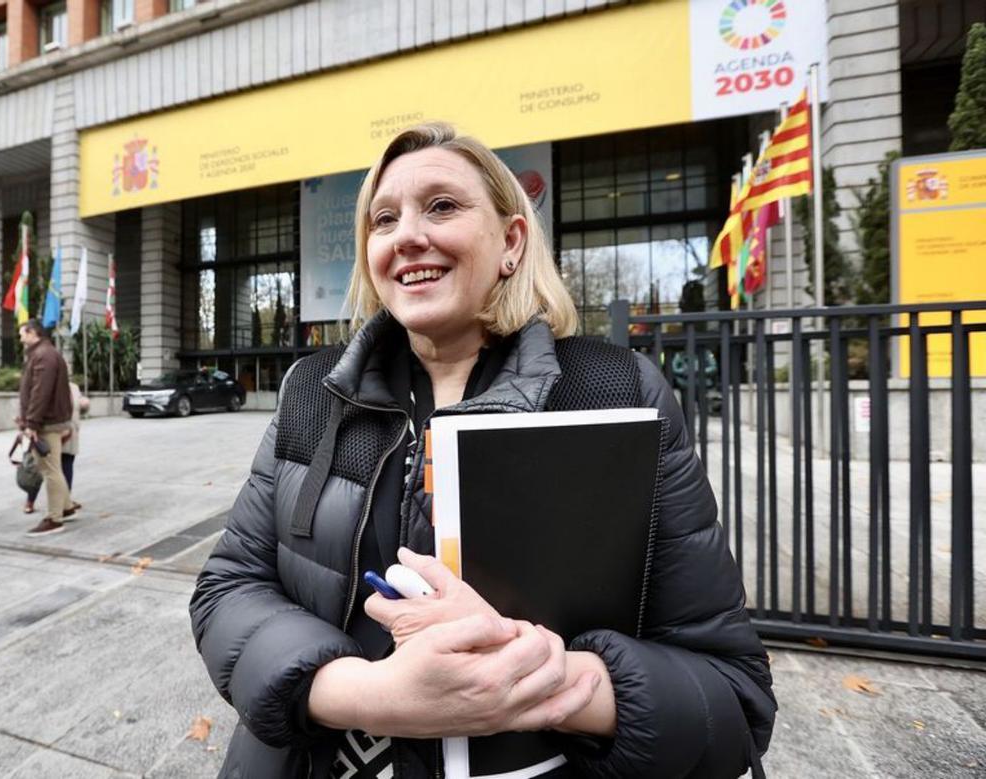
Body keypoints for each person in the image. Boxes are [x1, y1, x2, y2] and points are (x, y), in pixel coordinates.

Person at [190, 123, 775, 777]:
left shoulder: (616, 392)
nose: (408, 233)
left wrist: (537, 679)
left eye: (442, 205)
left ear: (511, 242)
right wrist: (370, 696)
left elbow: (732, 698)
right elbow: (229, 588)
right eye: (384, 218)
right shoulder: (310, 392)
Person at [17, 320, 74, 536]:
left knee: (50, 470)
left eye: (22, 333)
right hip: (46, 421)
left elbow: (40, 392)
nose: (20, 338)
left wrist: (31, 422)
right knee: (52, 467)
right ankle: (66, 507)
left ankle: (54, 519)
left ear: (32, 332)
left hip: (45, 423)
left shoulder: (43, 355)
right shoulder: (44, 353)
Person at [23, 380, 88, 516]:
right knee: (45, 469)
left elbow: (79, 409)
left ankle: (66, 503)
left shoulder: (74, 387)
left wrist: (84, 405)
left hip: (71, 434)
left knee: (67, 467)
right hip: (54, 433)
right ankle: (30, 500)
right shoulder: (47, 385)